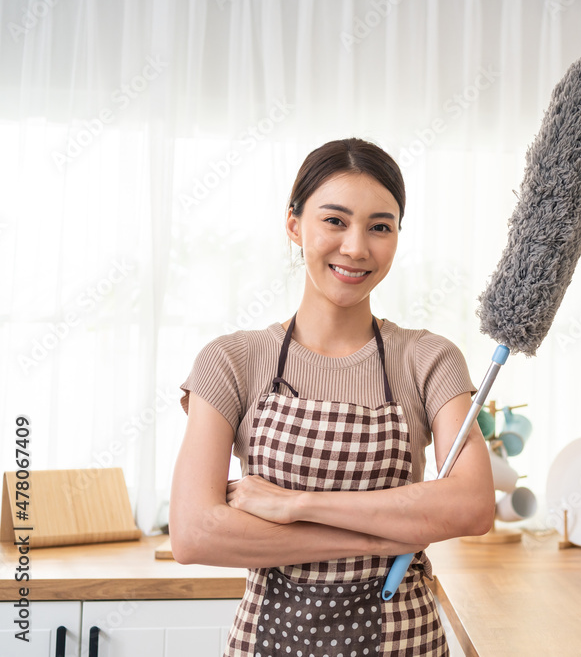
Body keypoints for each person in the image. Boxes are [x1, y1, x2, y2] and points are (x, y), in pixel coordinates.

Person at [170, 138, 495, 657]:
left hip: (404, 642)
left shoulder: (430, 358)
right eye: (335, 221)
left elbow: (472, 506)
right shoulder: (230, 361)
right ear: (294, 225)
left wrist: (294, 505)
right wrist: (381, 540)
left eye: (380, 226)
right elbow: (194, 533)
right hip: (266, 643)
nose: (357, 248)